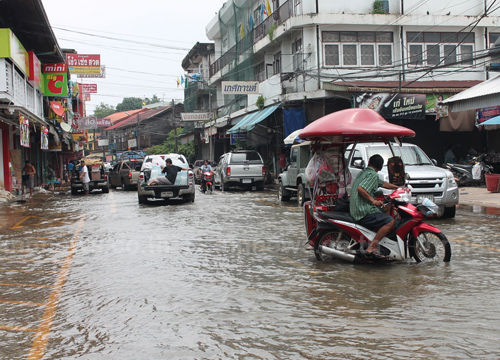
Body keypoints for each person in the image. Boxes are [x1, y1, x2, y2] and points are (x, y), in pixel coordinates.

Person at [350, 154, 399, 259]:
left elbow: (384, 184)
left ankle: (382, 239)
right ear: (381, 167)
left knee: (388, 207)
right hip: (362, 210)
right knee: (390, 221)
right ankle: (373, 246)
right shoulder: (372, 175)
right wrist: (373, 201)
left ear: (369, 163)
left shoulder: (364, 172)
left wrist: (399, 187)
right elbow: (360, 189)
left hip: (358, 208)